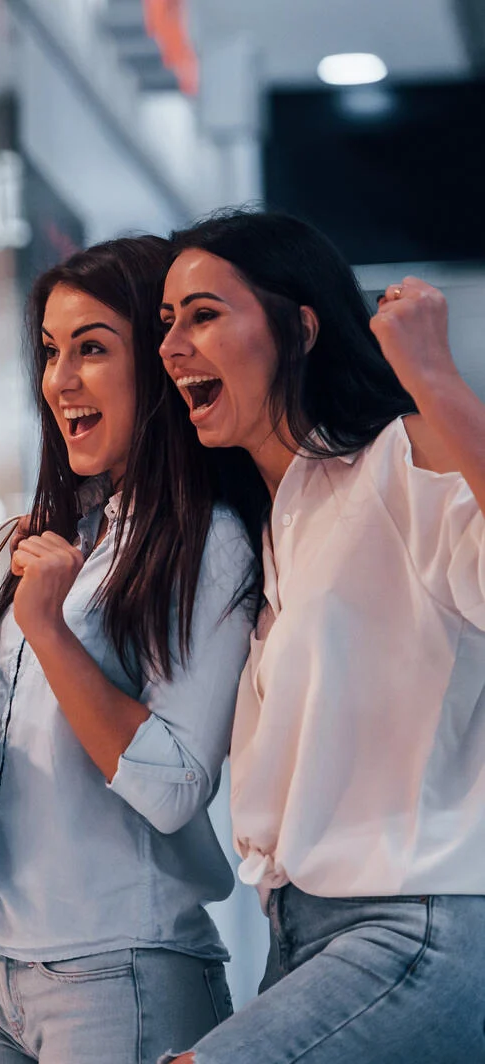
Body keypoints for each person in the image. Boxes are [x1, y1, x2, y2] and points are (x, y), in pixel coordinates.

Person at [0, 236, 266, 1064]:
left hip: (120, 971)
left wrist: (51, 630)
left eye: (92, 349)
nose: (60, 380)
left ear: (161, 366)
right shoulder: (64, 536)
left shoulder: (210, 541)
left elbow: (172, 788)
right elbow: (14, 761)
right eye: (50, 352)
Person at [158, 209, 485, 1064]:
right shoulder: (275, 527)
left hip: (413, 926)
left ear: (299, 326)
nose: (172, 346)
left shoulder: (395, 461)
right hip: (297, 934)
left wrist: (436, 378)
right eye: (167, 324)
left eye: (203, 314)